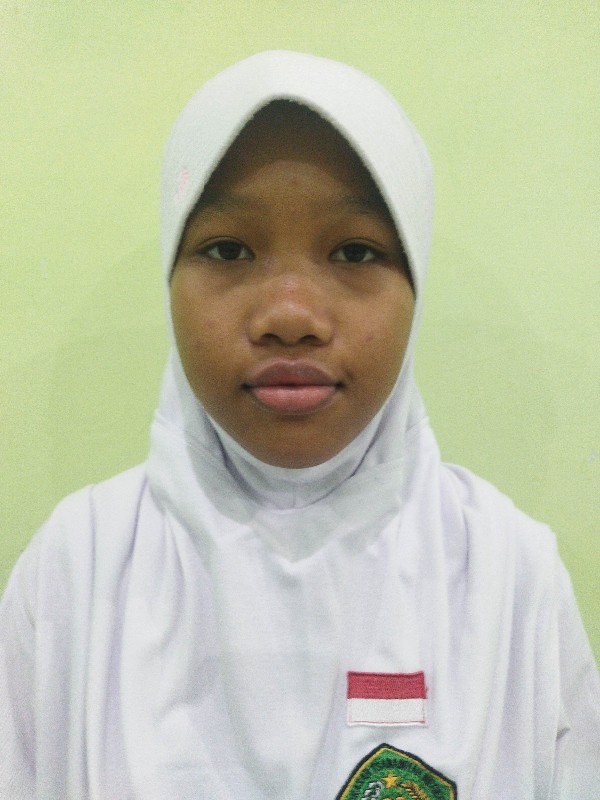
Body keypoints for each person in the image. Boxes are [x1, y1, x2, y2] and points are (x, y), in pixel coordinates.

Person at [0, 50, 598, 800]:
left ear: (415, 284)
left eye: (355, 251)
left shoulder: (508, 574)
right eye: (228, 249)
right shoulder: (80, 567)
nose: (290, 314)